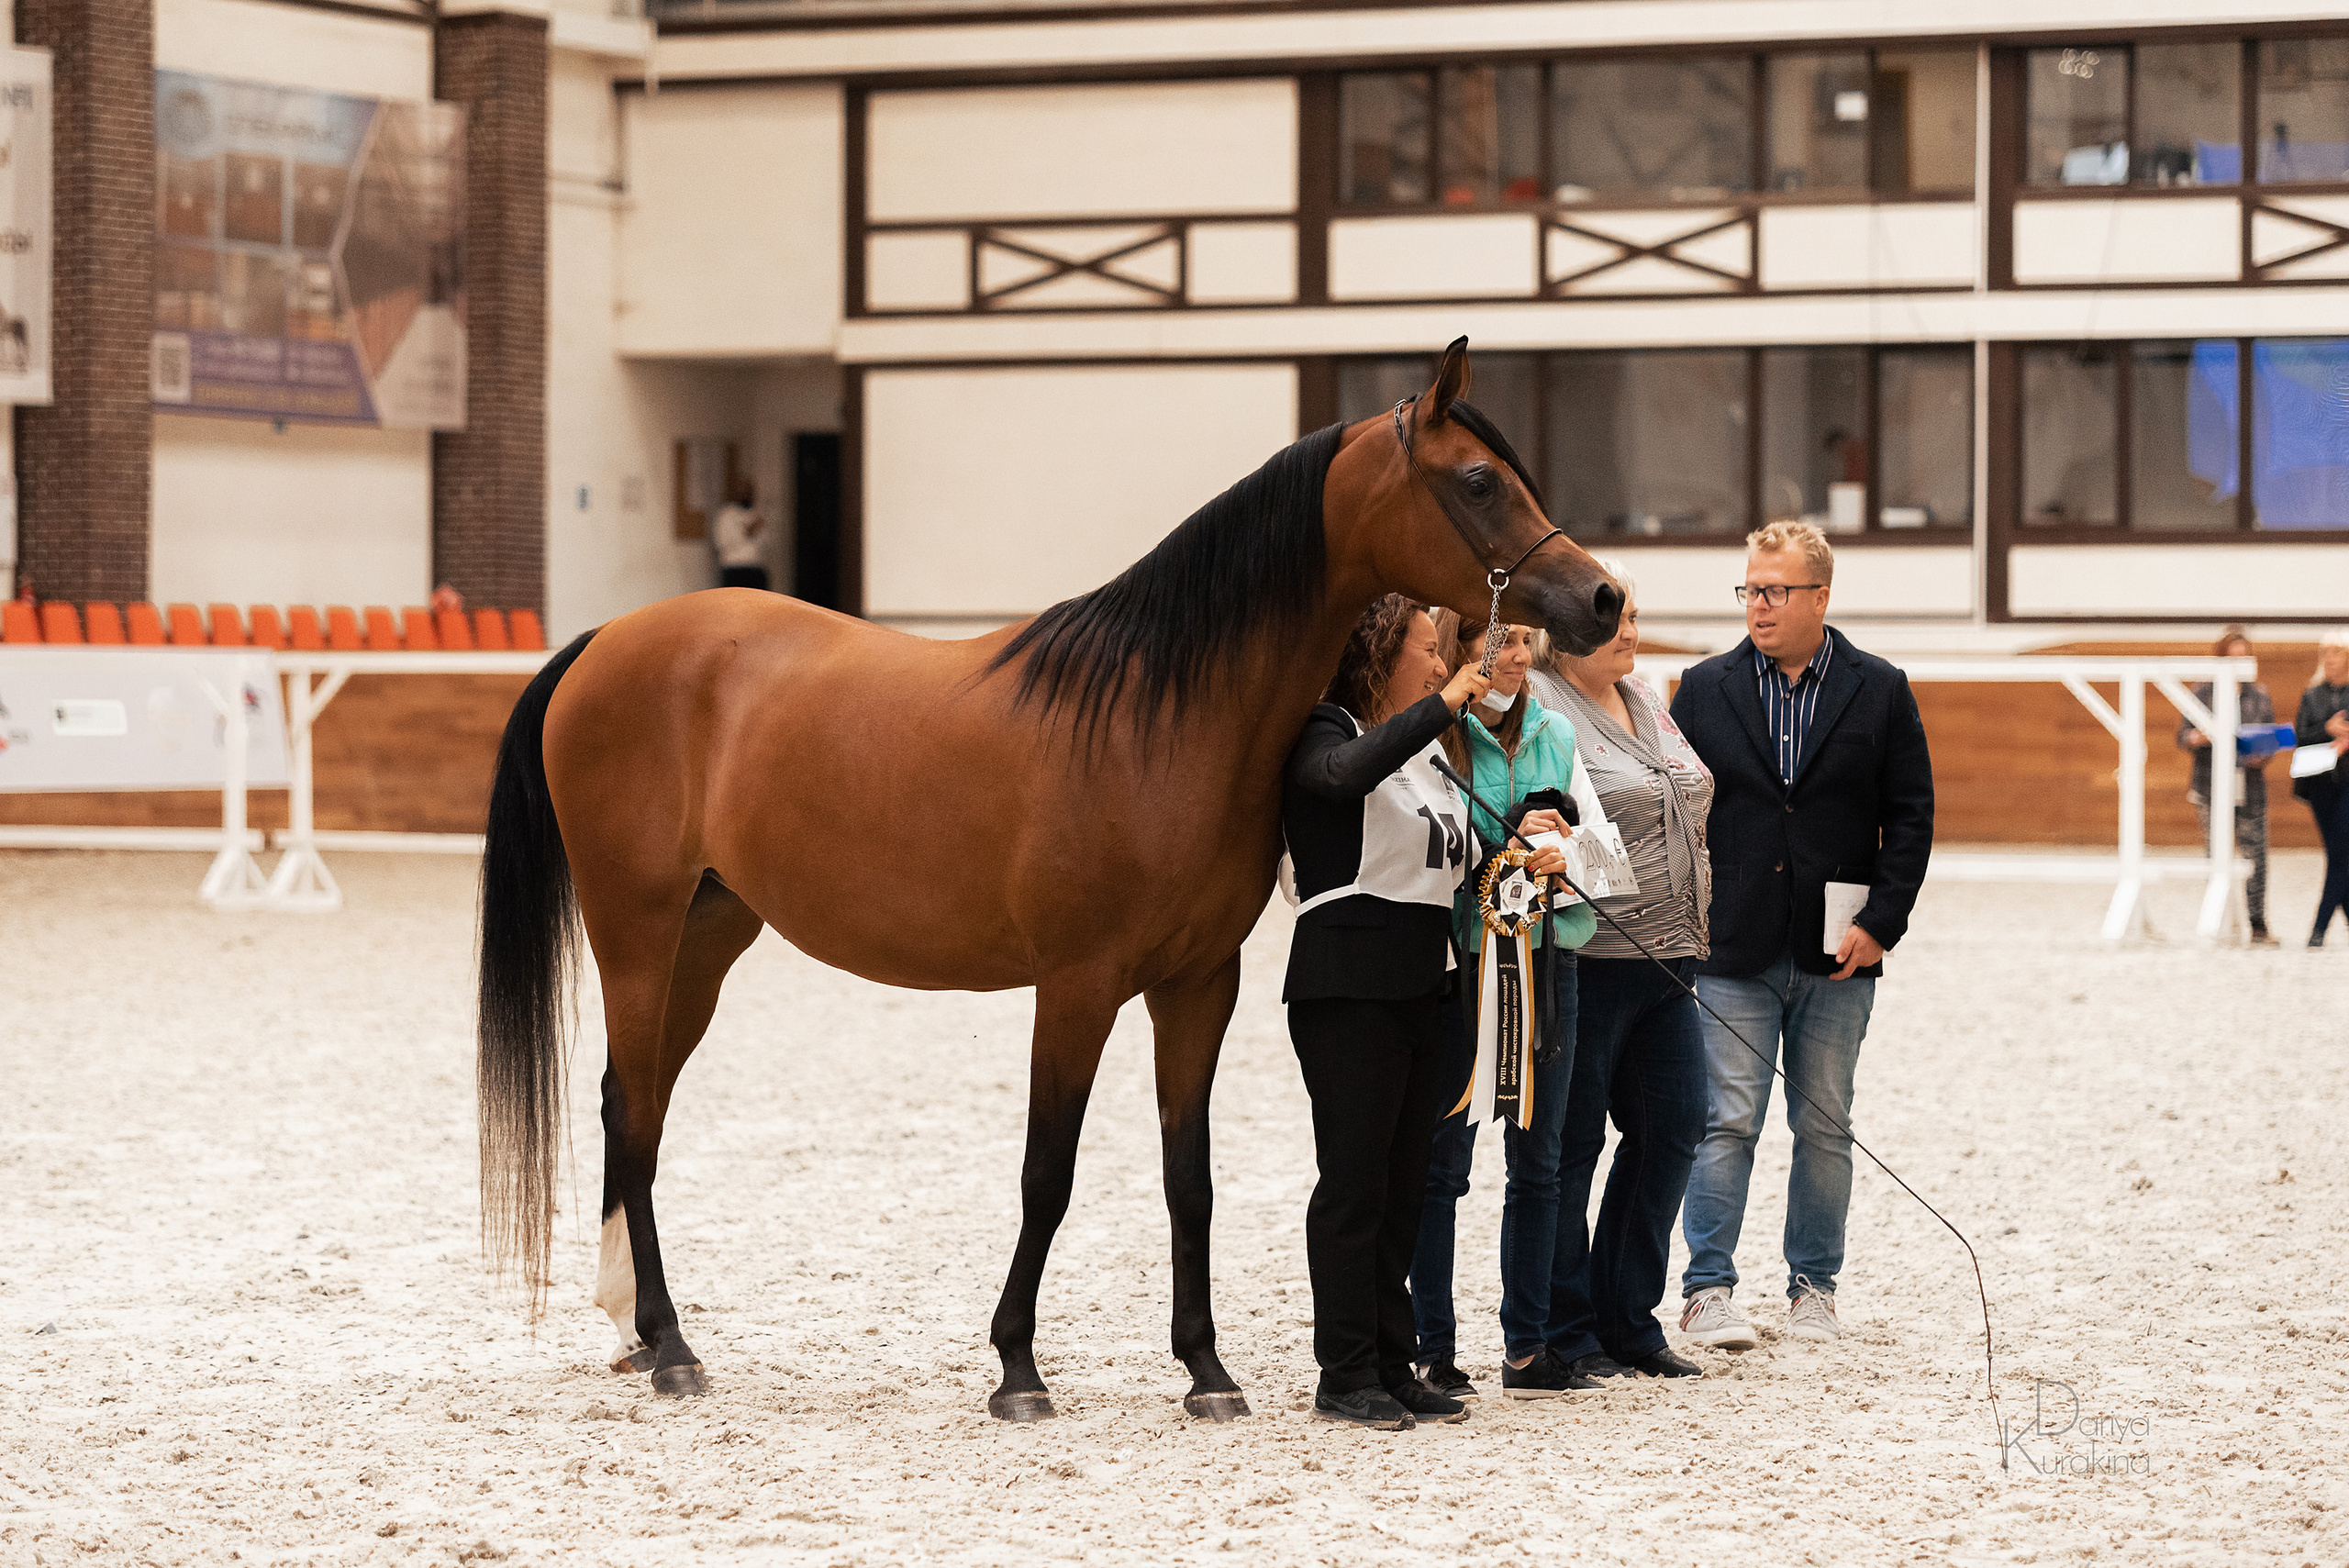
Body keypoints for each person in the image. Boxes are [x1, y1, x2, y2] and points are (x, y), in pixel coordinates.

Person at [1281, 595, 1569, 1429]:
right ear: (1379, 652)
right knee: (1355, 1181)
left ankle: (1390, 1357)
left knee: (1405, 1181)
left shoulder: (1425, 757)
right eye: (1425, 651)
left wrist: (1522, 836)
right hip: (1349, 981)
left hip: (1424, 982)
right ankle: (1343, 1371)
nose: (1441, 667)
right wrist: (1441, 708)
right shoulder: (1328, 729)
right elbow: (1336, 780)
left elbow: (1462, 854)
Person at [1666, 521, 1933, 1349]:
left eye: (1775, 590)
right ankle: (1708, 1289)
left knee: (1825, 1123)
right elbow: (1676, 813)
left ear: (1821, 596)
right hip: (1731, 946)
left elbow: (1912, 816)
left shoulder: (1880, 689)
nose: (1759, 605)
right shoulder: (1703, 690)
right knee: (1726, 1119)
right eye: (1749, 589)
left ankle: (1813, 1286)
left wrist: (1882, 923)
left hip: (1838, 951)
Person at [1528, 561, 1713, 1379]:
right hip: (1592, 954)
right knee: (1574, 1147)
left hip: (1672, 954)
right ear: (1567, 630)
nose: (1632, 630)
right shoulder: (1541, 703)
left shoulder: (1644, 698)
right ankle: (1569, 1327)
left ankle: (1629, 1314)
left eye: (1635, 614)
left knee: (1675, 1126)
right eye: (1616, 617)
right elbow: (1549, 825)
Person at [1406, 617, 1598, 1402]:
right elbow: (1431, 847)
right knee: (1444, 1164)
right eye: (1497, 642)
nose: (1515, 658)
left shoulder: (1556, 729)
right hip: (1465, 969)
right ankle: (1433, 1348)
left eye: (1525, 641)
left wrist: (1565, 848)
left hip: (1550, 961)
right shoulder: (1436, 739)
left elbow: (1595, 841)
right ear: (1457, 649)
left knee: (1540, 1161)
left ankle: (1528, 1345)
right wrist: (1504, 843)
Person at [2176, 626, 2278, 946]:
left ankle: (2258, 922)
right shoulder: (2202, 693)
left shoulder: (2258, 694)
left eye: (2243, 658)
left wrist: (2265, 750)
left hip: (2249, 783)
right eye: (2232, 658)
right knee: (2214, 854)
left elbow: (2269, 734)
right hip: (2210, 785)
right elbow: (2183, 736)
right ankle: (2217, 916)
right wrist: (2203, 735)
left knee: (2256, 856)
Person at [2295, 628, 2349, 947]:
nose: (2329, 659)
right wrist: (2327, 730)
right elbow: (2301, 735)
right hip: (2319, 783)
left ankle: (2319, 928)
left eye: (2336, 653)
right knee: (2339, 854)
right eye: (2325, 654)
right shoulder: (2312, 694)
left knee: (2341, 856)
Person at [712, 480, 769, 591]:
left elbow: (767, 544)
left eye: (748, 492)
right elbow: (722, 543)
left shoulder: (758, 514)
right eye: (742, 491)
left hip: (755, 568)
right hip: (735, 569)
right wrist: (748, 532)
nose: (745, 494)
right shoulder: (727, 515)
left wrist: (759, 530)